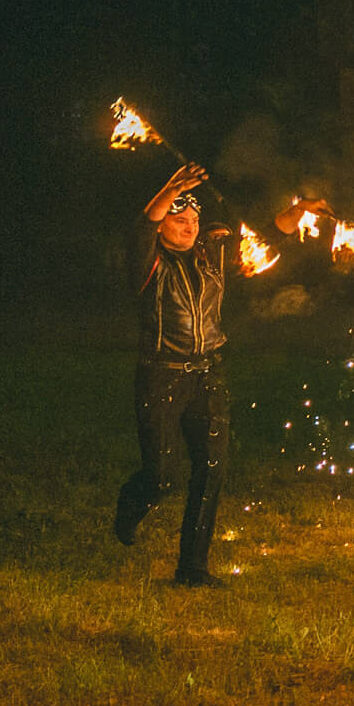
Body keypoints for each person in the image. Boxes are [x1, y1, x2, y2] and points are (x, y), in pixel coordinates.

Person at [116, 163, 243, 585]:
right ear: (163, 223)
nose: (189, 227)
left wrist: (299, 212)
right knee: (163, 475)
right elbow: (142, 227)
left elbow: (263, 238)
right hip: (162, 376)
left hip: (209, 375)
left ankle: (192, 568)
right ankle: (133, 504)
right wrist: (167, 191)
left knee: (211, 470)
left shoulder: (210, 261)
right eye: (179, 218)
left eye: (193, 220)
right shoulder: (147, 264)